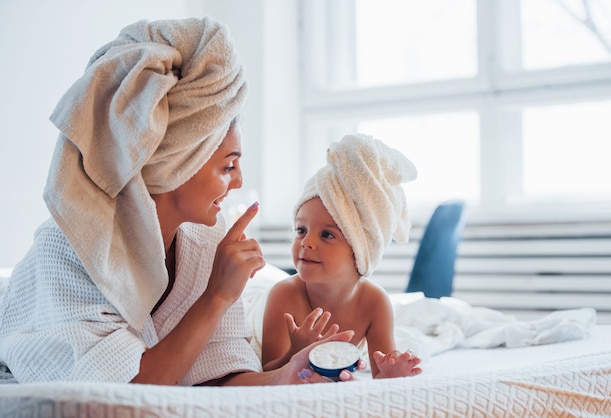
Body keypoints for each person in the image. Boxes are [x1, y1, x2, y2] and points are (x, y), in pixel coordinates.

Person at [0, 17, 354, 386]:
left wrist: (286, 375)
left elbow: (221, 378)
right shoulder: (73, 246)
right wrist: (216, 295)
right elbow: (123, 396)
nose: (239, 181)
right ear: (177, 163)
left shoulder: (208, 241)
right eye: (228, 165)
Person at [262, 133, 422, 379]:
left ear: (360, 252)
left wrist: (393, 372)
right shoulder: (283, 295)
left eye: (327, 235)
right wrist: (294, 354)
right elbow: (266, 374)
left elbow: (379, 375)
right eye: (301, 230)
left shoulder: (374, 302)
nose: (306, 242)